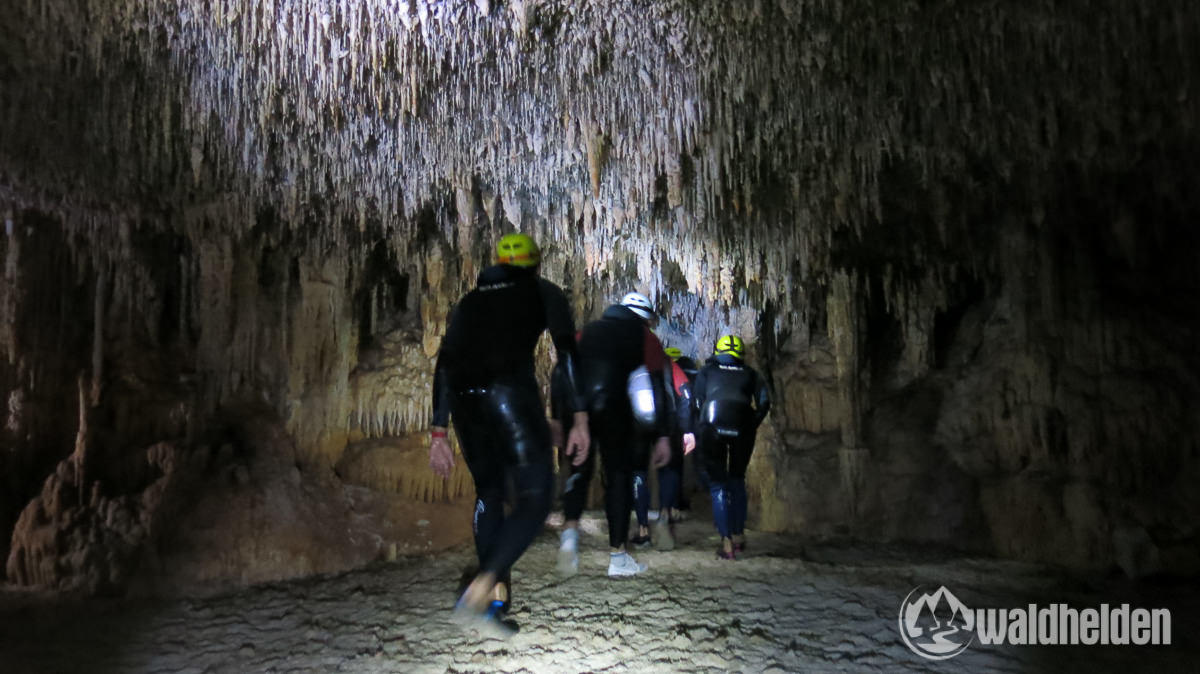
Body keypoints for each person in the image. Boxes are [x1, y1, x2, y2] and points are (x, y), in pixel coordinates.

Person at [428, 233, 590, 631]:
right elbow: (568, 353)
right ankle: (481, 589)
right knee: (536, 498)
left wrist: (437, 431)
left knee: (490, 494)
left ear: (498, 262)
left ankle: (494, 605)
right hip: (509, 396)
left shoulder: (468, 303)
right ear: (534, 265)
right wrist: (580, 417)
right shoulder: (542, 291)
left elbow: (445, 365)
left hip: (466, 403)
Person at [576, 292, 671, 576]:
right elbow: (656, 384)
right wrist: (661, 433)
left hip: (582, 410)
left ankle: (569, 540)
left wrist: (570, 416)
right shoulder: (646, 338)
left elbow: (567, 370)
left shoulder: (588, 332)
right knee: (619, 477)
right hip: (618, 409)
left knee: (581, 468)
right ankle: (618, 556)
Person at [691, 334, 770, 560]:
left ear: (718, 352)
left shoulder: (707, 372)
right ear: (740, 355)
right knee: (736, 479)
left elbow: (697, 401)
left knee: (718, 485)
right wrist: (752, 422)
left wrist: (701, 426)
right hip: (743, 423)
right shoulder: (751, 374)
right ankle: (738, 535)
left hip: (712, 422)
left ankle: (726, 543)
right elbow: (764, 401)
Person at [549, 334, 595, 575]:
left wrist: (557, 421)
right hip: (590, 420)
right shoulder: (590, 364)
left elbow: (555, 390)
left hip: (568, 420)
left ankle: (569, 535)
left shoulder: (563, 366)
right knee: (583, 472)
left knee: (576, 471)